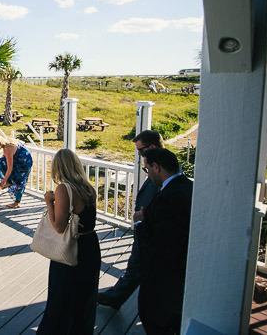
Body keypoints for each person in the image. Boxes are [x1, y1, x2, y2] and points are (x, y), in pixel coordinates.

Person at [37, 148, 100, 334]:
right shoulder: (88, 188)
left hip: (72, 247)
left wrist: (49, 201)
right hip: (91, 245)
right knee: (84, 297)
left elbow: (59, 226)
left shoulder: (64, 189)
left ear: (59, 167)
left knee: (62, 297)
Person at [98, 130, 163, 309]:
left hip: (149, 229)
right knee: (137, 266)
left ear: (152, 147)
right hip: (144, 227)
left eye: (140, 151)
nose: (139, 155)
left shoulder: (163, 167)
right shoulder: (157, 164)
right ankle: (115, 296)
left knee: (137, 266)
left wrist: (144, 220)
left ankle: (115, 297)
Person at [134, 148, 193, 334]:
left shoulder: (168, 198)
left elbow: (163, 244)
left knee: (155, 322)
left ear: (156, 167)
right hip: (181, 276)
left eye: (147, 169)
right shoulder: (189, 187)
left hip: (163, 281)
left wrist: (140, 223)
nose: (148, 174)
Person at [0, 135, 33, 208]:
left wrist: (4, 180)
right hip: (20, 159)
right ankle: (10, 182)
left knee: (19, 181)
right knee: (1, 162)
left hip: (25, 163)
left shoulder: (8, 150)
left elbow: (9, 168)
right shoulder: (7, 143)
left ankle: (17, 202)